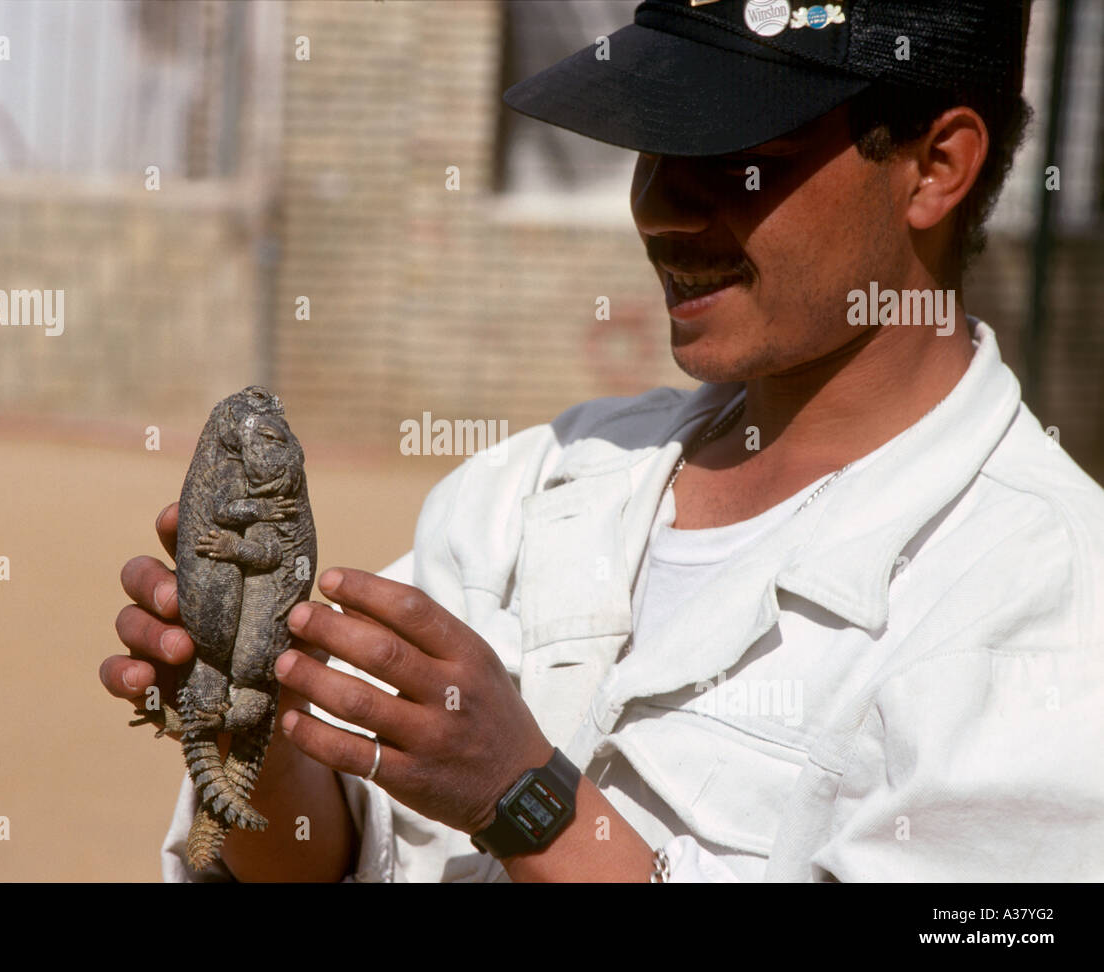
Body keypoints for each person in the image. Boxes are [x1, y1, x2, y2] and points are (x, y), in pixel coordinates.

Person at [101, 0, 1104, 881]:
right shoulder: (543, 484)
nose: (659, 207)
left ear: (935, 168)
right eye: (653, 145)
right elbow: (320, 856)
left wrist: (527, 803)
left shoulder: (1046, 606)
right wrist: (257, 725)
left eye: (736, 158)